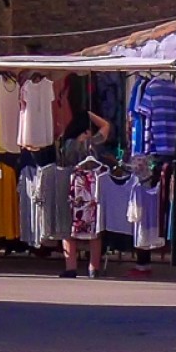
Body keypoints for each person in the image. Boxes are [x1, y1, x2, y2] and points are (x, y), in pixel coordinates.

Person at [58, 110, 114, 278]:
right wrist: (88, 114)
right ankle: (93, 268)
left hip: (74, 188)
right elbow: (106, 126)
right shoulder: (93, 142)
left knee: (69, 229)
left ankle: (71, 267)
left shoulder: (66, 144)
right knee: (94, 230)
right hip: (92, 188)